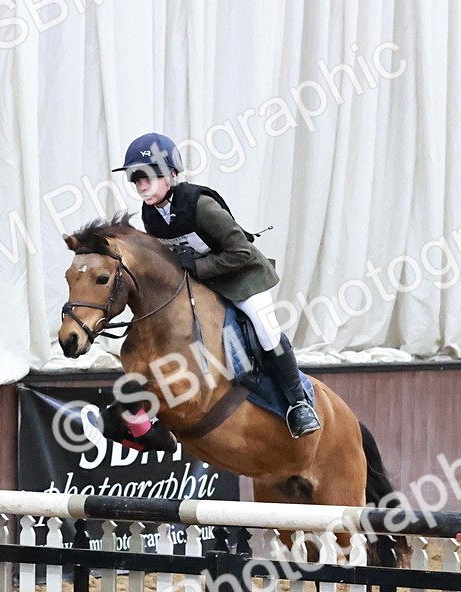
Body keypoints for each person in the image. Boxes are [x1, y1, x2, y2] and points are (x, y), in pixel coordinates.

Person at [111, 132, 321, 438]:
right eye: (135, 179)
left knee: (266, 329)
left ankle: (299, 405)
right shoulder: (150, 215)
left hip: (242, 276)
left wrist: (197, 265)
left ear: (172, 174)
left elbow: (241, 252)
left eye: (148, 177)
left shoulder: (201, 205)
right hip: (202, 282)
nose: (141, 185)